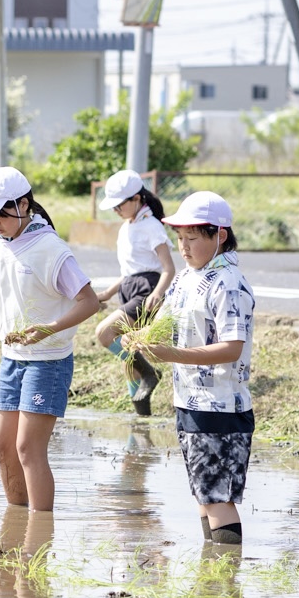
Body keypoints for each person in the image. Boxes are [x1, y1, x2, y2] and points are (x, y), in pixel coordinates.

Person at [0, 167, 99, 513]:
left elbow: (90, 301)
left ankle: (39, 533)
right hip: (12, 358)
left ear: (23, 205)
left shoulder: (50, 249)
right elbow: (2, 298)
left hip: (48, 360)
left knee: (28, 448)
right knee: (3, 446)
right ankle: (15, 528)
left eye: (0, 214)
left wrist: (50, 328)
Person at [134, 191, 257, 546]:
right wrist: (140, 338)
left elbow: (232, 348)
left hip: (220, 408)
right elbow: (163, 323)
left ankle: (225, 574)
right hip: (188, 401)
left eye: (192, 238)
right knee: (204, 496)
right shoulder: (187, 277)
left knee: (218, 499)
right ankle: (212, 572)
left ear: (220, 235)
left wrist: (170, 354)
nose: (184, 247)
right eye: (179, 238)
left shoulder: (228, 283)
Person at [92, 169, 178, 416]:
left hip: (146, 291)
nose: (116, 210)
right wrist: (107, 293)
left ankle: (151, 373)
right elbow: (129, 272)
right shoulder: (127, 227)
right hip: (129, 288)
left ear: (137, 199)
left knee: (104, 333)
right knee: (130, 356)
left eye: (119, 205)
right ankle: (141, 417)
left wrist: (157, 293)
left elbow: (168, 268)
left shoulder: (151, 225)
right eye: (114, 206)